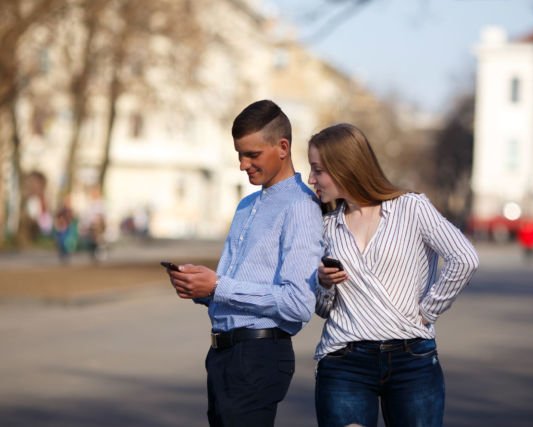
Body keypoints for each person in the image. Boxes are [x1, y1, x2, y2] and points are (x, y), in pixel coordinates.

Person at [307, 123, 479, 427]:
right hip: (344, 360)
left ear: (344, 167)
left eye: (318, 170)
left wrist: (428, 310)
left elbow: (464, 258)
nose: (311, 179)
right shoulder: (326, 226)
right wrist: (324, 284)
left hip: (411, 358)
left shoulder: (411, 207)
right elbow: (324, 308)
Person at [164, 100, 323, 426]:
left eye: (252, 155)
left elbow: (298, 304)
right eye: (239, 154)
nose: (242, 165)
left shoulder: (302, 208)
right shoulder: (246, 204)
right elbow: (231, 288)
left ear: (282, 147)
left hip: (259, 355)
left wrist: (219, 286)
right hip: (222, 354)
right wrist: (200, 286)